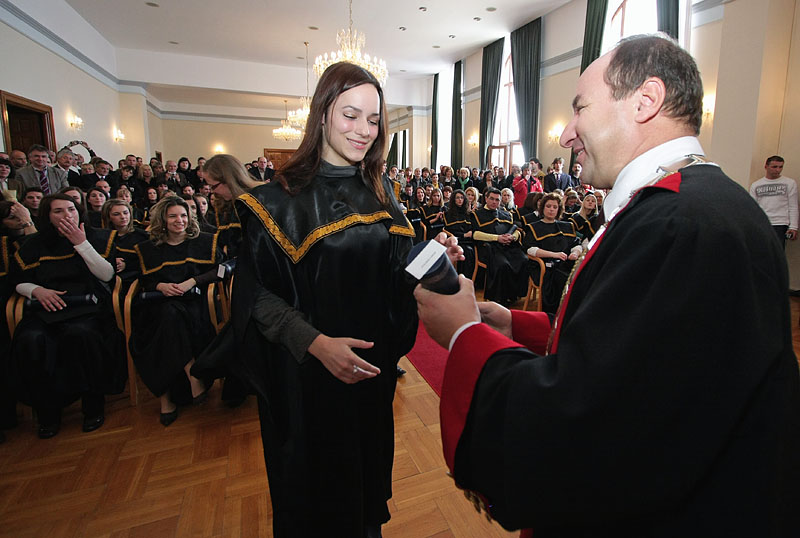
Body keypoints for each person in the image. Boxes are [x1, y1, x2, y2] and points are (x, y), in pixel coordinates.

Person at [414, 34, 800, 537]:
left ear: (646, 101)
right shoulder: (699, 203)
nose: (566, 134)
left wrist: (464, 334)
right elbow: (637, 348)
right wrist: (516, 324)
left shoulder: (678, 224)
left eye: (579, 109)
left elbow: (592, 420)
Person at [230, 61, 460, 537]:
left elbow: (394, 271)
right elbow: (256, 298)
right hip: (309, 376)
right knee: (317, 496)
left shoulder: (380, 190)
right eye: (350, 115)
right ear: (322, 114)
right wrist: (316, 343)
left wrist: (432, 258)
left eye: (374, 120)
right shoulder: (276, 201)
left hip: (369, 373)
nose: (364, 131)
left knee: (361, 489)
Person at [8, 194, 124, 438]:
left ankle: (93, 406)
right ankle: (48, 412)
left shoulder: (97, 237)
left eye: (70, 209)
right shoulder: (34, 244)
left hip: (86, 307)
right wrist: (37, 291)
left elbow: (106, 275)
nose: (66, 215)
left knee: (81, 335)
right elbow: (18, 281)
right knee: (31, 340)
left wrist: (81, 244)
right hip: (45, 309)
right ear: (47, 216)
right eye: (58, 211)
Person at [129, 196, 222, 426]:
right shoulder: (148, 249)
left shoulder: (204, 241)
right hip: (156, 305)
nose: (179, 220)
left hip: (193, 304)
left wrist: (193, 281)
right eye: (173, 216)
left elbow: (219, 271)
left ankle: (166, 398)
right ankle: (191, 370)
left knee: (171, 318)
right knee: (166, 317)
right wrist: (159, 286)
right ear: (162, 219)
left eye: (183, 215)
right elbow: (142, 280)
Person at [522, 192, 582, 314]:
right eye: (548, 206)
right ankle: (556, 314)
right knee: (563, 279)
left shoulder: (567, 226)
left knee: (580, 277)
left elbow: (577, 244)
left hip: (565, 264)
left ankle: (573, 313)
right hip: (543, 267)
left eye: (555, 207)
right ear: (542, 208)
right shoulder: (533, 227)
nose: (551, 210)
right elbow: (530, 250)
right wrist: (554, 255)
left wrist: (575, 253)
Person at [470, 187, 528, 305]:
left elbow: (516, 230)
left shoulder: (506, 214)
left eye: (497, 200)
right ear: (486, 198)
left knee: (523, 260)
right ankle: (499, 298)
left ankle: (514, 294)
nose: (494, 202)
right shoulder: (477, 214)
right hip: (490, 247)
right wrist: (497, 238)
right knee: (503, 265)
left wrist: (513, 237)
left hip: (508, 246)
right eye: (491, 199)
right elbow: (475, 234)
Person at [749, 155, 798, 249]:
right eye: (774, 167)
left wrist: (793, 227)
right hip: (762, 223)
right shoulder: (756, 185)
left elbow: (793, 206)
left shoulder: (789, 183)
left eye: (780, 167)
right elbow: (753, 207)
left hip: (780, 223)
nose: (778, 170)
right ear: (766, 166)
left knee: (777, 252)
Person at [101, 198, 148, 279]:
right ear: (108, 217)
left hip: (133, 278)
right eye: (116, 214)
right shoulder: (102, 236)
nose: (123, 217)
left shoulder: (143, 236)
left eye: (125, 213)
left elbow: (148, 261)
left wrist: (127, 265)